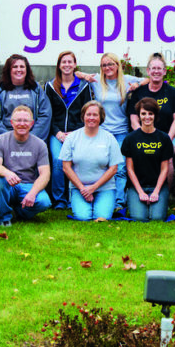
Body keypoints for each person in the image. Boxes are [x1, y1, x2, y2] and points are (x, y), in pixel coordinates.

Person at [79, 53, 140, 207]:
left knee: (119, 168)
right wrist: (84, 75)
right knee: (100, 166)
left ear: (117, 65)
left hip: (121, 132)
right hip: (102, 131)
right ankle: (98, 197)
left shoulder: (126, 80)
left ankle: (119, 201)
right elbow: (75, 73)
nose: (107, 68)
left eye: (110, 64)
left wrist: (137, 86)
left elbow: (147, 80)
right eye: (104, 65)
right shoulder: (97, 80)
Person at [44, 51, 93, 209]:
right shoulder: (50, 86)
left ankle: (75, 197)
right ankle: (60, 200)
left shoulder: (83, 86)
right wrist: (57, 132)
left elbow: (88, 113)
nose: (66, 65)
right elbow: (47, 114)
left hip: (78, 133)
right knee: (58, 161)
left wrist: (76, 132)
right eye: (63, 62)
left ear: (74, 64)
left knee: (77, 163)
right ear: (59, 65)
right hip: (56, 133)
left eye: (69, 62)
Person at [0, 106, 52, 227]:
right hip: (8, 185)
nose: (22, 124)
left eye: (26, 121)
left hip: (28, 185)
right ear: (11, 122)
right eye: (18, 120)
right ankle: (4, 217)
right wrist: (8, 173)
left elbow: (45, 174)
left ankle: (20, 212)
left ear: (32, 123)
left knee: (44, 202)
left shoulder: (40, 144)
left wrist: (32, 193)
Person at [60, 101, 123, 221]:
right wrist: (83, 189)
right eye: (88, 114)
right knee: (82, 217)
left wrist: (93, 188)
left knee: (102, 217)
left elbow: (113, 168)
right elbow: (66, 167)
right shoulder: (72, 138)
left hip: (104, 187)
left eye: (95, 115)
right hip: (79, 188)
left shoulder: (109, 138)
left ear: (101, 117)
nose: (91, 118)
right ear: (83, 116)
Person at [121, 98, 175, 221]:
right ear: (139, 116)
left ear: (155, 115)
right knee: (139, 217)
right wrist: (140, 192)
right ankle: (134, 200)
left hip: (158, 186)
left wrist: (156, 191)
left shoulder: (164, 138)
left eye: (150, 114)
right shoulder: (130, 139)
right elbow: (129, 169)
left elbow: (165, 169)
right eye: (143, 113)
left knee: (157, 218)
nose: (147, 117)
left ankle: (158, 202)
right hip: (136, 186)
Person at [0, 53, 52, 142]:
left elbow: (45, 115)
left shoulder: (35, 88)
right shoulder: (0, 89)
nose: (19, 69)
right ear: (9, 70)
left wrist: (31, 139)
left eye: (22, 67)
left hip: (31, 140)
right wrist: (9, 140)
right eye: (15, 67)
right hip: (5, 141)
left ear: (27, 69)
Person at [127, 53, 175, 140]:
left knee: (172, 150)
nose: (156, 71)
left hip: (167, 137)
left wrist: (168, 139)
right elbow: (134, 121)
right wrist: (145, 138)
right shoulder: (138, 92)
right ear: (148, 71)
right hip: (142, 137)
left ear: (164, 71)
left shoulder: (173, 92)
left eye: (159, 68)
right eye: (153, 68)